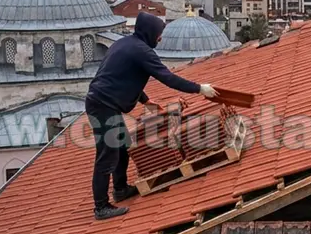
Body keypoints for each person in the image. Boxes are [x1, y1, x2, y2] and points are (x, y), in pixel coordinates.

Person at [85, 12, 216, 220]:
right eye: (159, 33)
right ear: (150, 32)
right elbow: (168, 78)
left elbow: (121, 75)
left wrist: (145, 101)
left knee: (121, 146)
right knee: (106, 155)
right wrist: (199, 88)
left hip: (102, 102)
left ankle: (120, 190)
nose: (160, 38)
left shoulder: (125, 44)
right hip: (103, 105)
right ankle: (100, 207)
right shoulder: (141, 51)